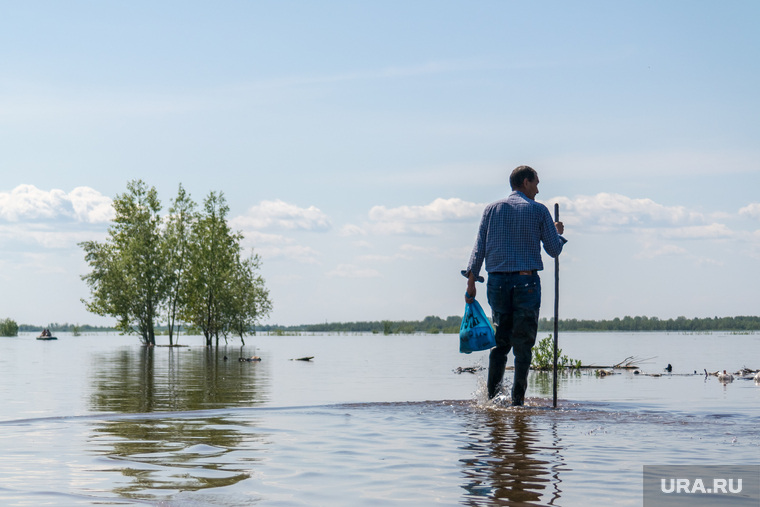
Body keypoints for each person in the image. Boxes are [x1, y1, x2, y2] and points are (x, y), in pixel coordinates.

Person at [462, 165, 566, 406]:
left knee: (500, 343)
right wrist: (557, 232)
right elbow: (553, 250)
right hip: (526, 282)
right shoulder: (539, 210)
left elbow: (479, 247)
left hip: (496, 282)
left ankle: (492, 400)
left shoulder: (491, 209)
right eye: (536, 183)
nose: (538, 190)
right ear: (525, 182)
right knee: (523, 345)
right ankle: (517, 403)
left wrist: (471, 281)